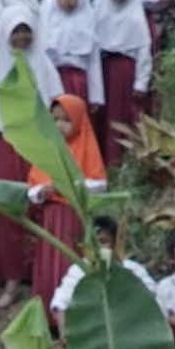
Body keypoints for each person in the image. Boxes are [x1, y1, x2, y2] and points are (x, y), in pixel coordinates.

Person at [0, 12, 56, 284]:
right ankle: (12, 277)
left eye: (26, 31)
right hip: (8, 145)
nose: (22, 38)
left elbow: (55, 106)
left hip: (37, 143)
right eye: (16, 32)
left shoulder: (44, 64)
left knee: (40, 205)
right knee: (8, 210)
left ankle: (39, 275)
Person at [26, 95, 107, 312]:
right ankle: (48, 312)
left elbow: (99, 183)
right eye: (54, 119)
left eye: (65, 120)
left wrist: (70, 186)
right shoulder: (47, 148)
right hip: (50, 215)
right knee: (48, 260)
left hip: (75, 213)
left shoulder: (86, 145)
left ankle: (72, 311)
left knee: (70, 259)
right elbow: (32, 187)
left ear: (78, 120)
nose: (59, 125)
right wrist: (42, 191)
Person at [49, 211, 161, 322]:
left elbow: (153, 297)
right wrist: (65, 334)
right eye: (93, 243)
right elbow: (59, 304)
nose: (97, 248)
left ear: (115, 243)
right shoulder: (79, 269)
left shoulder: (133, 269)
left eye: (103, 242)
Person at [94, 0, 154, 159]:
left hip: (125, 70)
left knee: (122, 114)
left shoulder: (136, 18)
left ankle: (122, 159)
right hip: (102, 69)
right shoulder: (100, 13)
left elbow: (144, 50)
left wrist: (141, 82)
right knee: (103, 115)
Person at [43, 0, 103, 111]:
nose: (67, 0)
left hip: (78, 81)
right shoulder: (48, 21)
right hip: (54, 80)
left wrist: (96, 96)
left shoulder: (87, 22)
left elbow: (94, 62)